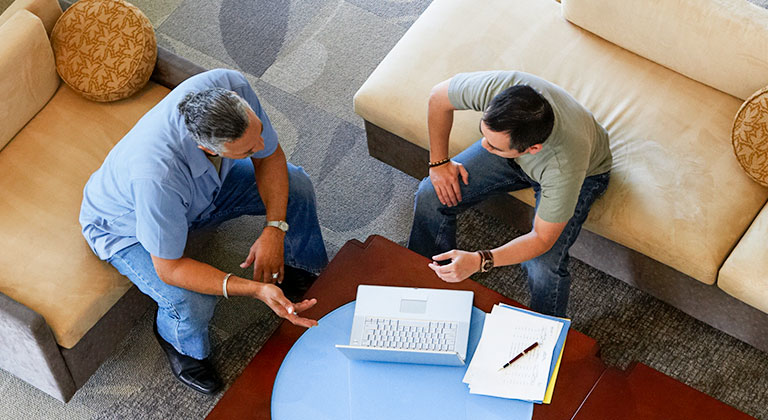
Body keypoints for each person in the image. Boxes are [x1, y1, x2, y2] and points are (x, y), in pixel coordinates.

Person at [79, 69, 328, 394]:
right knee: (192, 300)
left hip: (200, 193)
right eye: (247, 151)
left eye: (259, 133)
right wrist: (254, 289)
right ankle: (181, 345)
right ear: (208, 148)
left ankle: (300, 267)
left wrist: (275, 230)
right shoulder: (157, 177)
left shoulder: (230, 84)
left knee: (296, 185)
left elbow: (271, 158)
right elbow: (169, 268)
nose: (262, 145)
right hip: (125, 228)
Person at [408, 71, 612, 318]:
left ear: (531, 149)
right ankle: (425, 282)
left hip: (586, 173)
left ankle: (545, 332)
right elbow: (438, 97)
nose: (484, 146)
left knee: (543, 262)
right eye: (483, 133)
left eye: (493, 145)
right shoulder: (503, 89)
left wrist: (480, 260)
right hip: (515, 157)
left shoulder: (564, 165)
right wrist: (439, 164)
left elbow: (541, 239)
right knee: (432, 192)